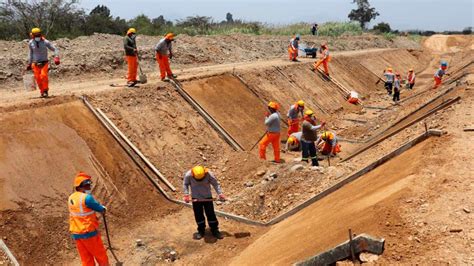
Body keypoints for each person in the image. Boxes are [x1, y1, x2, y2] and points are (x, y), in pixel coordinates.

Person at [68, 172, 109, 266]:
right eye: (88, 185)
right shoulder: (87, 198)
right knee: (100, 255)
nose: (90, 188)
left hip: (77, 233)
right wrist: (103, 209)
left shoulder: (71, 197)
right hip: (89, 233)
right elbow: (99, 208)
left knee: (86, 259)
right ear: (83, 185)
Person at [183, 165, 226, 240]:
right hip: (196, 198)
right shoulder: (188, 175)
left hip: (207, 197)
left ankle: (215, 230)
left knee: (210, 214)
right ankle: (201, 231)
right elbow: (185, 184)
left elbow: (215, 184)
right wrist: (186, 194)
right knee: (198, 215)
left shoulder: (209, 174)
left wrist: (220, 193)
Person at [26, 27, 59, 98]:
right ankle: (42, 92)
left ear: (40, 34)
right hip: (35, 63)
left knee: (43, 76)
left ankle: (45, 91)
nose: (37, 36)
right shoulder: (31, 43)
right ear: (32, 35)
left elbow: (55, 49)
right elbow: (30, 53)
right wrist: (29, 63)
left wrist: (56, 57)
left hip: (44, 62)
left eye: (38, 35)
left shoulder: (45, 42)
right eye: (35, 35)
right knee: (38, 79)